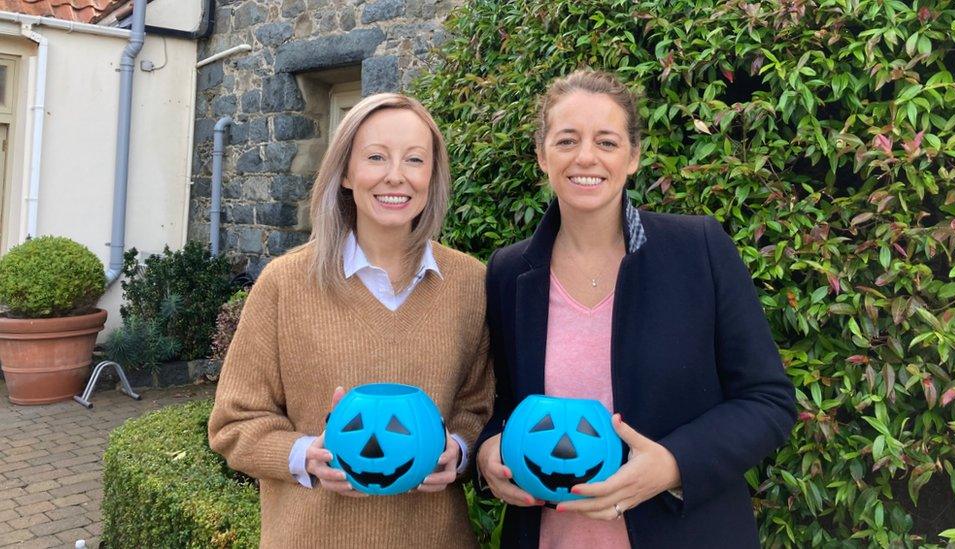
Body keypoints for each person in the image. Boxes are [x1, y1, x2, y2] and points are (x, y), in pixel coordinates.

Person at [475, 69, 797, 548]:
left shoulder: (698, 250)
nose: (586, 157)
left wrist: (671, 465)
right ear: (542, 155)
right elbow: (506, 405)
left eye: (606, 141)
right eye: (567, 140)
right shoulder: (509, 271)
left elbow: (768, 399)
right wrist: (487, 454)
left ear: (633, 156)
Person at [209, 93, 494, 548]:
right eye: (376, 157)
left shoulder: (470, 284)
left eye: (415, 159)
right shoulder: (284, 285)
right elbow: (234, 423)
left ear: (432, 176)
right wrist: (306, 456)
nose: (395, 175)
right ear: (345, 173)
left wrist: (458, 450)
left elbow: (478, 409)